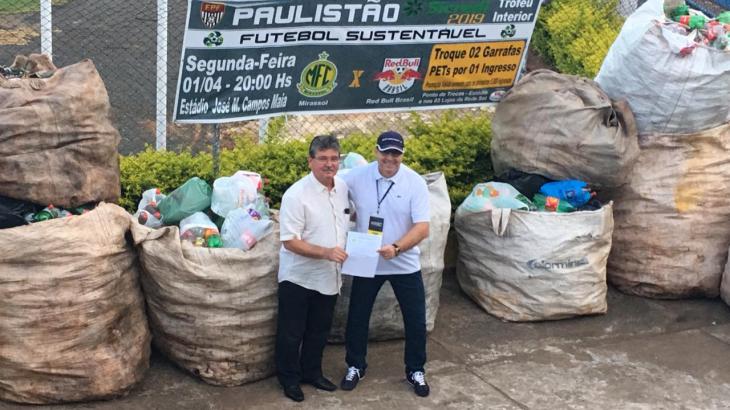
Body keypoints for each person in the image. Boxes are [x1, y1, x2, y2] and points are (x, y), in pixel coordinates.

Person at [339, 131, 431, 397]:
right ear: (376, 151)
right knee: (358, 315)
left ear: (402, 154)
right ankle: (355, 365)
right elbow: (332, 187)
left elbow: (423, 227)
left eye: (396, 153)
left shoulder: (414, 182)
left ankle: (415, 369)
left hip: (404, 261)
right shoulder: (357, 176)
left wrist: (397, 247)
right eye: (385, 152)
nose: (390, 159)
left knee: (415, 320)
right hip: (367, 259)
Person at [275, 135, 350, 402]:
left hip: (329, 277)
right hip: (299, 277)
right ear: (310, 161)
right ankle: (289, 379)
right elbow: (290, 241)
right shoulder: (296, 195)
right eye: (323, 159)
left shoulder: (341, 187)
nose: (329, 164)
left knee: (319, 330)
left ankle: (312, 373)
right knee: (291, 332)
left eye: (334, 158)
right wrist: (327, 252)